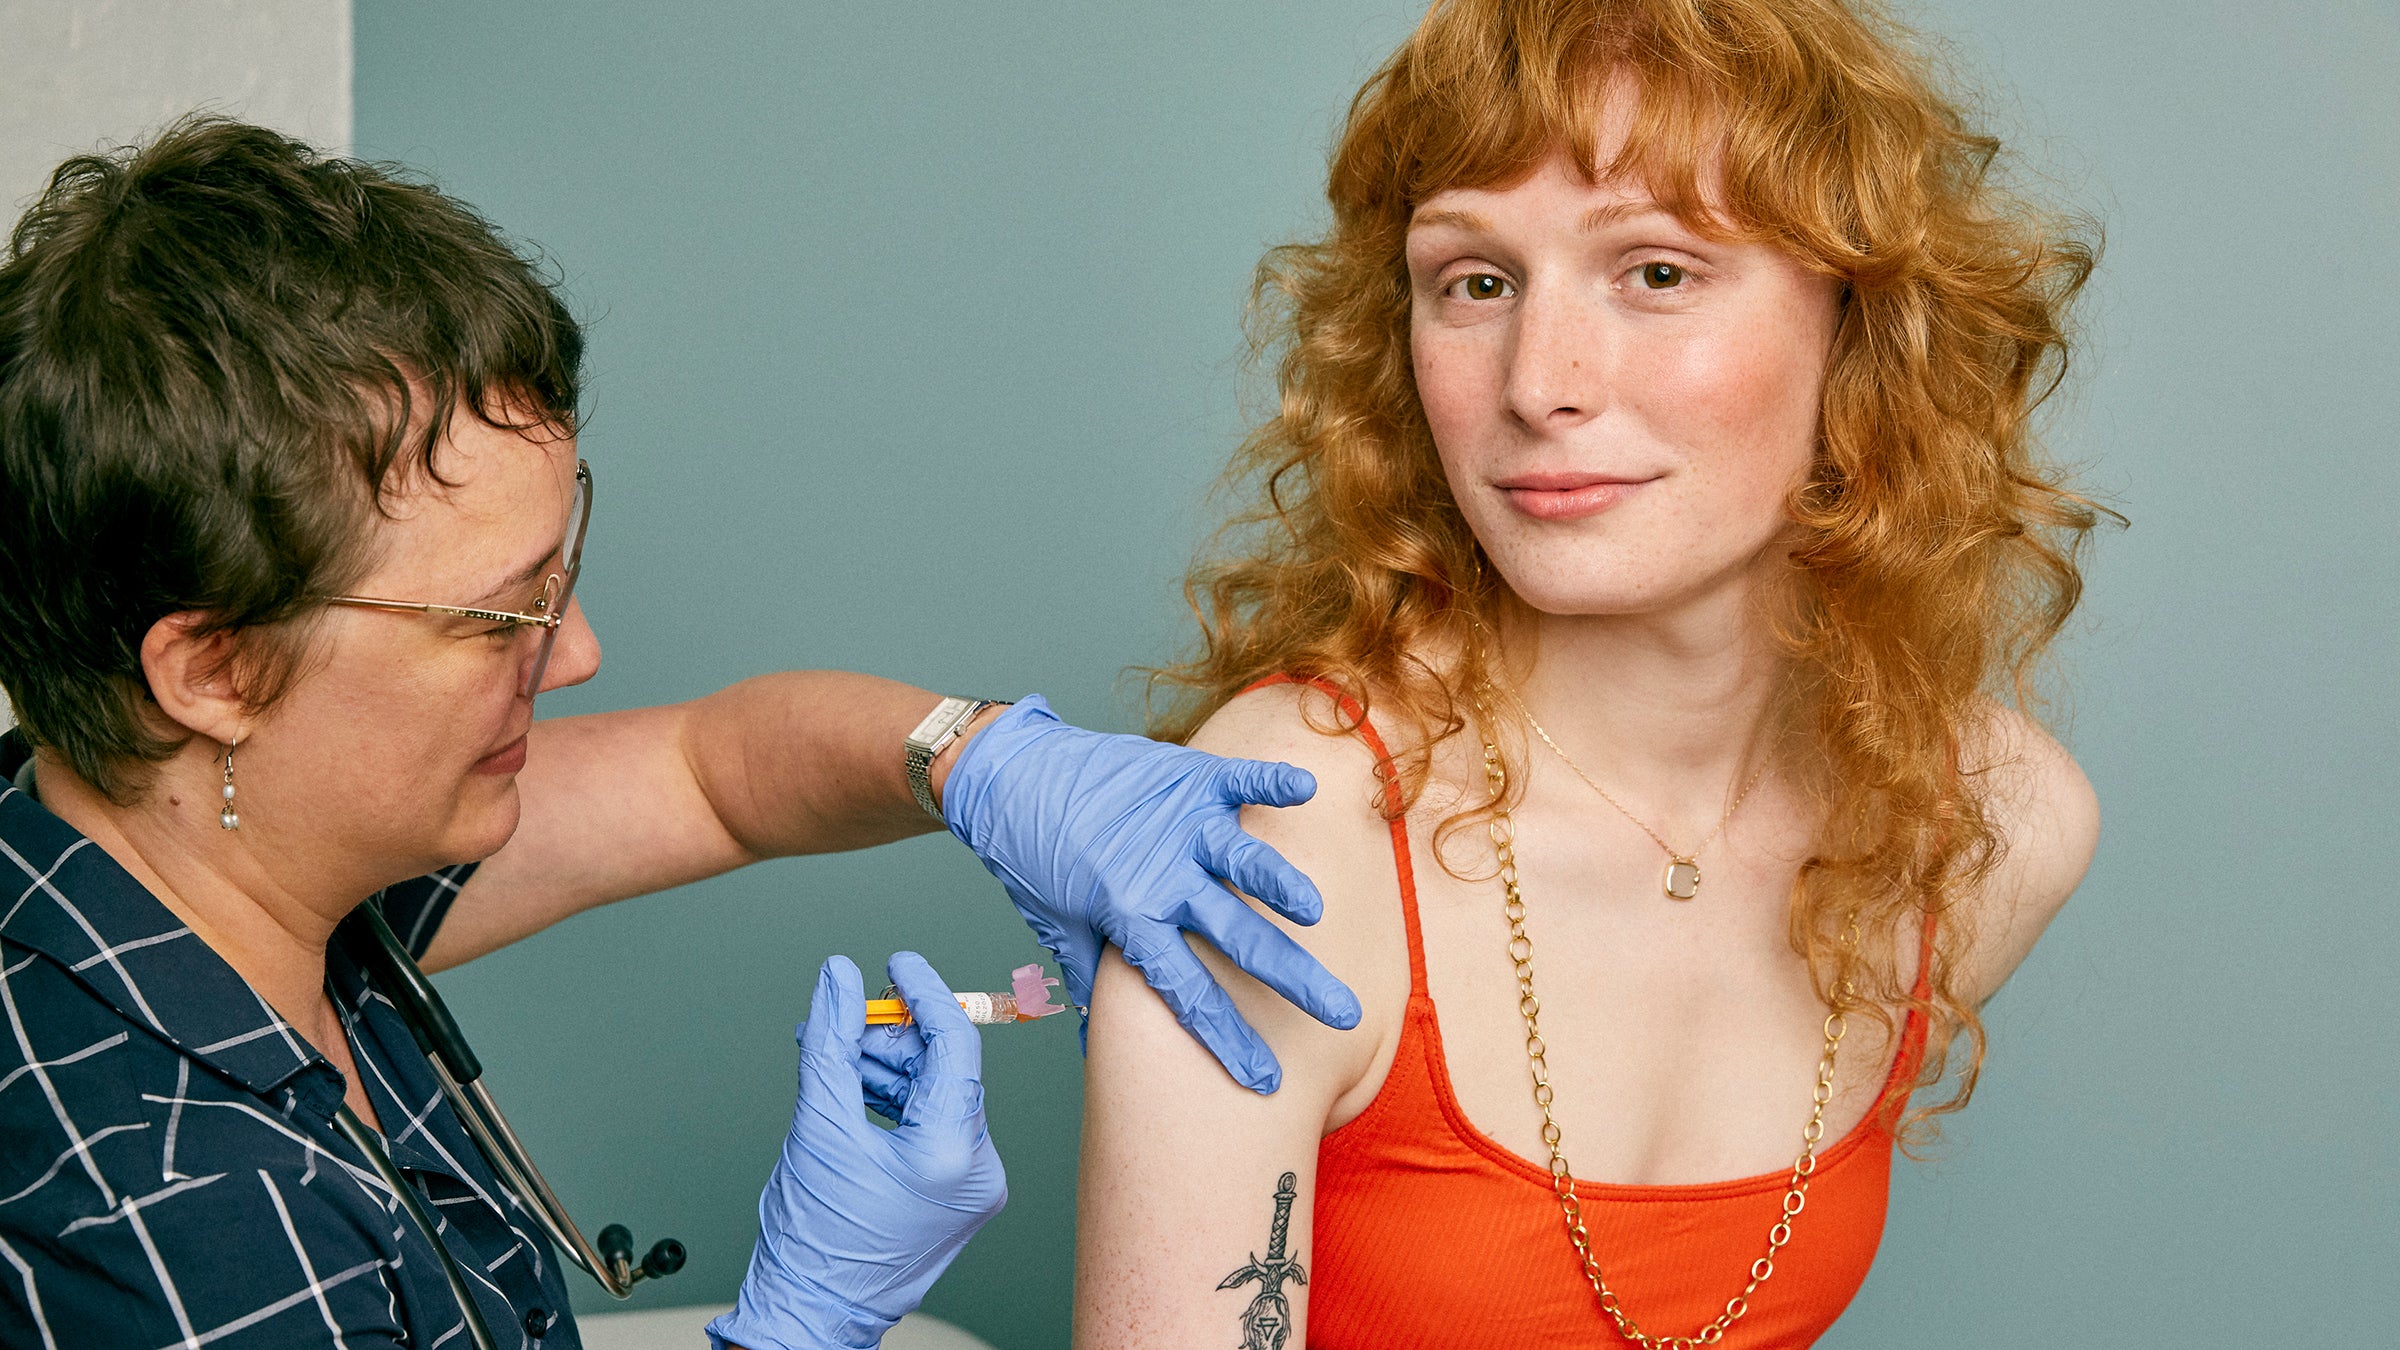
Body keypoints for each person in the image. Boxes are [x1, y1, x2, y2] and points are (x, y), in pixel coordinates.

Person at [0, 118, 1362, 1350]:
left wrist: (978, 754)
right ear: (216, 665)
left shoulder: (159, 846)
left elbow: (714, 774)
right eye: (498, 615)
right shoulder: (178, 1235)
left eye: (562, 569)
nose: (578, 649)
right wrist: (798, 1323)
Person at [1075, 0, 2107, 1345]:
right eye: (1476, 282)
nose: (1539, 384)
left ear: (1864, 332)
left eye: (1657, 272)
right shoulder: (1286, 832)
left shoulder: (1992, 820)